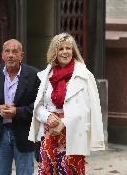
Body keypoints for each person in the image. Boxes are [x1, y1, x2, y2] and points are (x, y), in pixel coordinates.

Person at [28, 33, 105, 175]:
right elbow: (38, 105)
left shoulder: (84, 75)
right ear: (54, 52)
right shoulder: (45, 75)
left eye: (68, 48)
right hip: (49, 132)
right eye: (60, 48)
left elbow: (88, 109)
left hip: (73, 132)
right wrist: (47, 117)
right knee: (47, 171)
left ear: (73, 51)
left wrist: (64, 122)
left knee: (70, 171)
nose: (65, 52)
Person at [0, 39, 40, 175]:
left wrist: (17, 111)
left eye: (15, 52)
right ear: (2, 55)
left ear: (21, 55)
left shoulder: (34, 74)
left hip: (24, 133)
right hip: (0, 133)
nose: (11, 55)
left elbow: (39, 105)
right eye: (7, 51)